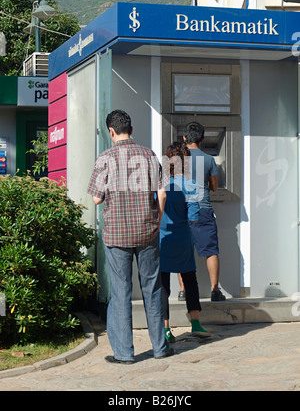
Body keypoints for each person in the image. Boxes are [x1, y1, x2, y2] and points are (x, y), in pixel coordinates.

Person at [87, 109, 173, 364]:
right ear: (131, 130)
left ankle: (124, 354)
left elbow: (95, 198)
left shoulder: (105, 158)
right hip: (147, 232)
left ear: (110, 132)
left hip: (117, 236)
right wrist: (156, 222)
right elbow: (163, 193)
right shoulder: (148, 155)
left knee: (121, 291)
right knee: (153, 288)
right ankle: (160, 347)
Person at [159, 142, 211, 342]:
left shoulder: (162, 183)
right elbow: (194, 217)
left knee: (163, 284)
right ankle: (196, 324)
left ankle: (165, 329)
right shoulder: (191, 185)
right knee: (190, 280)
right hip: (183, 238)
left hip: (164, 238)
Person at [183, 122, 226, 302]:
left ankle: (182, 290)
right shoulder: (209, 159)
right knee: (211, 251)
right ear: (202, 139)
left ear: (184, 138)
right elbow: (214, 187)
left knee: (184, 251)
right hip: (203, 209)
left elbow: (176, 186)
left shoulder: (179, 159)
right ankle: (215, 290)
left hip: (183, 210)